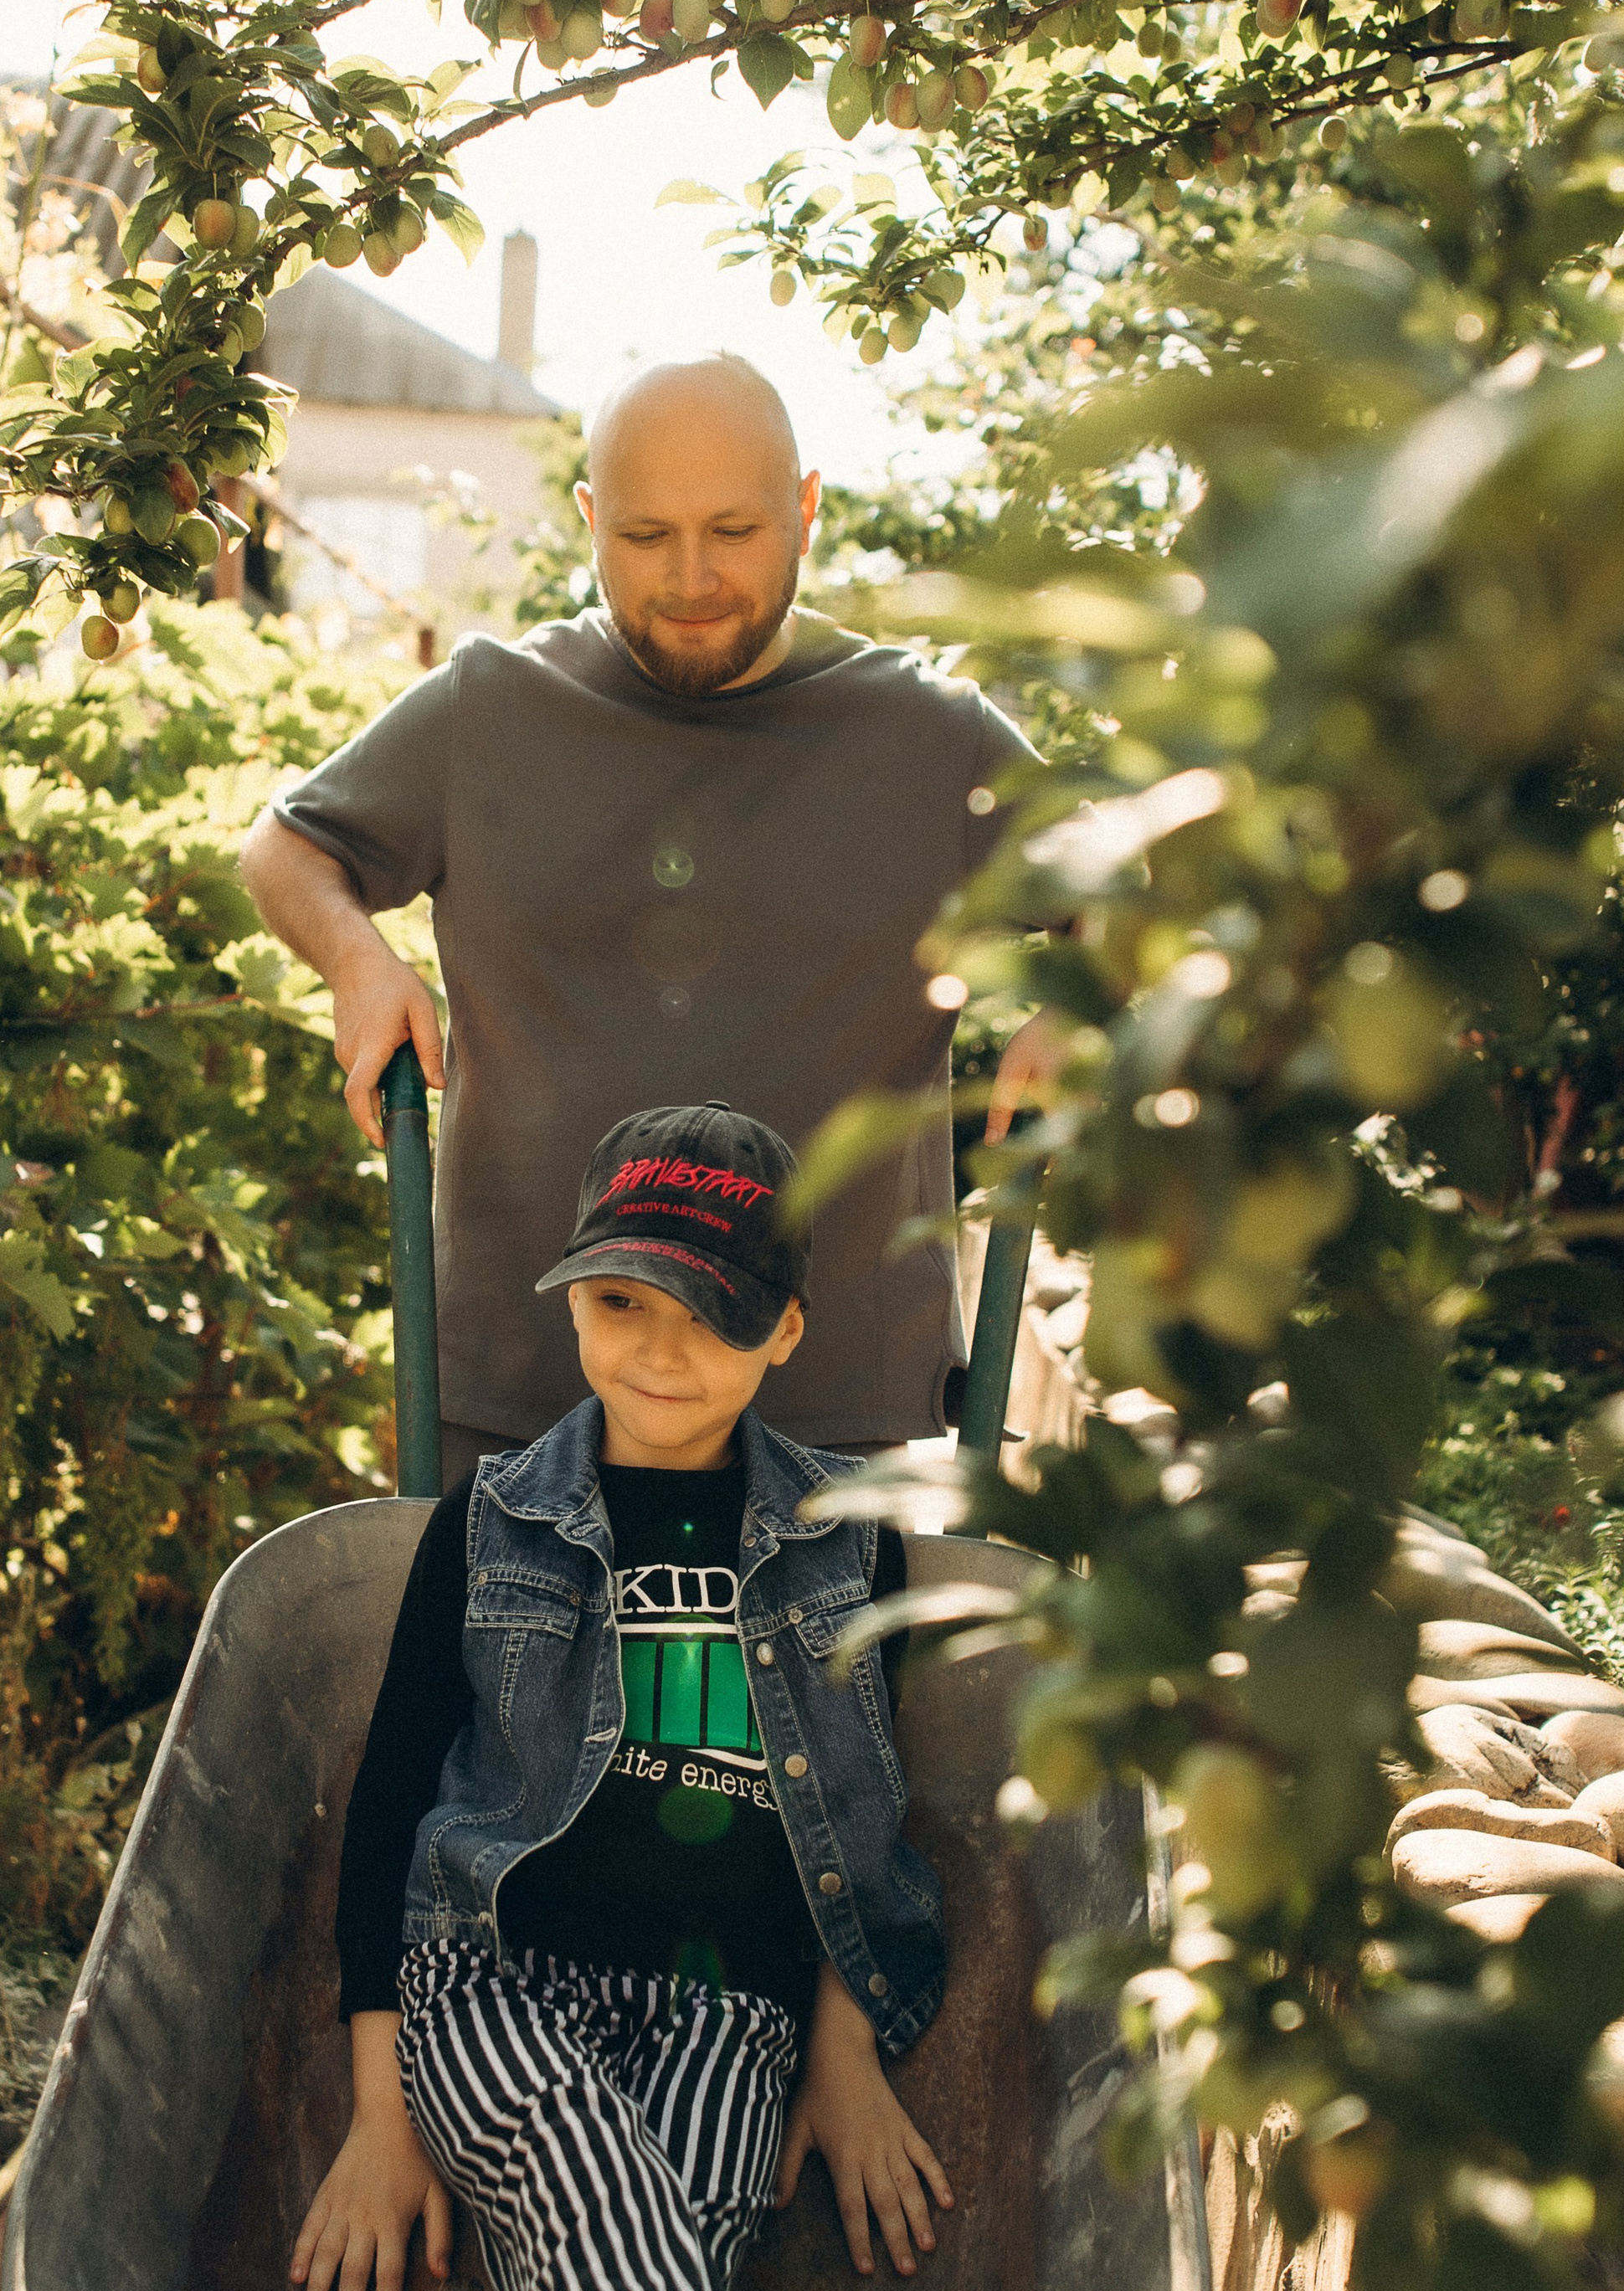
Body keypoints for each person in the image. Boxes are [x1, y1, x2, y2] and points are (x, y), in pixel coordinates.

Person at [291, 1101, 965, 2291]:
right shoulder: (491, 1523)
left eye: (710, 1316)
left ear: (787, 1332)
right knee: (592, 2175)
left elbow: (859, 1829)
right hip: (491, 1984)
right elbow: (388, 1823)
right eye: (616, 1308)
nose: (656, 1354)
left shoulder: (845, 1541)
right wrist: (379, 2116)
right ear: (569, 1308)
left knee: (642, 2235)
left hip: (732, 2008)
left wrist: (842, 2051)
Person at [239, 353, 1057, 1487]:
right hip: (518, 1401)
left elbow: (1144, 897)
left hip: (833, 1418)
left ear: (806, 510)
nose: (690, 578)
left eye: (734, 531)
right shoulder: (493, 710)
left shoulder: (932, 739)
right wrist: (357, 961)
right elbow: (287, 846)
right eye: (643, 536)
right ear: (587, 520)